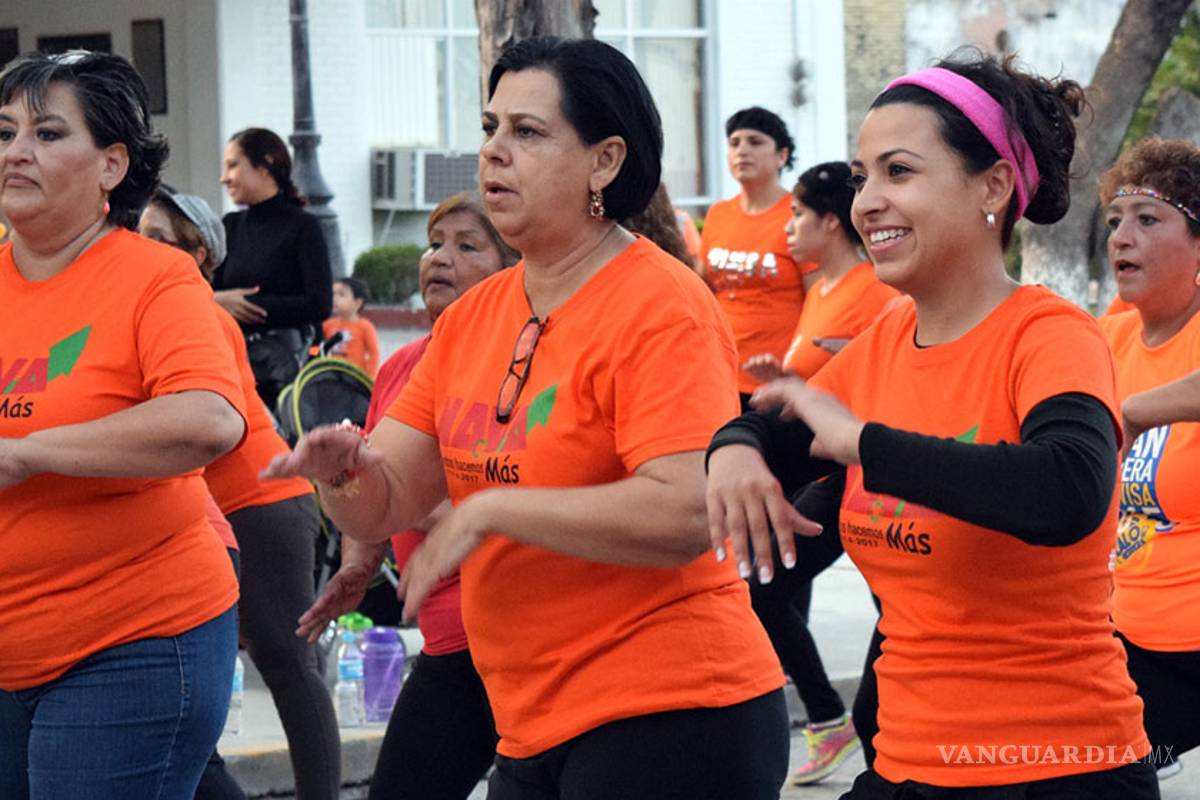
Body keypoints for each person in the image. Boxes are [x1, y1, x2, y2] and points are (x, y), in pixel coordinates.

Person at [265, 36, 789, 800]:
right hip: (529, 717)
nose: (494, 153)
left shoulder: (663, 305)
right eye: (490, 128)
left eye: (528, 132)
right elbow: (391, 498)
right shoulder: (474, 316)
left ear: (604, 162)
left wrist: (495, 512)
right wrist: (340, 473)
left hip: (673, 711)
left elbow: (685, 511)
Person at [705, 53, 1160, 798]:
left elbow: (1070, 489)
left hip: (1058, 768)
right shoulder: (882, 346)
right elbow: (771, 432)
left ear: (993, 186)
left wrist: (861, 444)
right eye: (861, 178)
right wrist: (733, 450)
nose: (867, 202)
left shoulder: (1050, 336)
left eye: (899, 172)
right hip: (906, 764)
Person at [0, 51, 245, 798]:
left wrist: (29, 454)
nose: (15, 151)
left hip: (134, 639)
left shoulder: (155, 276)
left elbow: (210, 418)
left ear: (112, 164)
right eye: (5, 130)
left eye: (46, 133)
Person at [300, 192, 517, 800]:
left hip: (523, 639)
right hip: (448, 638)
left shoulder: (527, 360)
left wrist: (405, 501)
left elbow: (504, 503)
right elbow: (377, 484)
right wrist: (356, 566)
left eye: (467, 246)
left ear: (514, 267)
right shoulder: (403, 367)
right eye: (435, 242)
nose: (438, 258)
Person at [140, 189, 342, 800]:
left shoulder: (197, 311)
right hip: (209, 513)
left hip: (261, 500)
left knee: (284, 659)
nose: (137, 248)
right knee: (182, 680)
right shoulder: (158, 306)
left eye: (158, 237)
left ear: (198, 253)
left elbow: (204, 422)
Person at [740, 160, 900, 787]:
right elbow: (817, 386)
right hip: (827, 473)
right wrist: (777, 384)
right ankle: (838, 720)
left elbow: (885, 385)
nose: (788, 227)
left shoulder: (877, 290)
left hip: (867, 473)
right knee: (766, 587)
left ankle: (856, 726)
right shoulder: (818, 292)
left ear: (831, 222)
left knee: (897, 608)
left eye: (799, 213)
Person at [1097, 136, 1200, 782]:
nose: (1120, 237)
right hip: (1114, 627)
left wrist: (1134, 411)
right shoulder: (1108, 334)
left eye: (1147, 219)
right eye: (1114, 222)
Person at [701, 106, 819, 405]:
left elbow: (820, 299)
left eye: (755, 142)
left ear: (782, 155)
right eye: (735, 142)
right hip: (719, 375)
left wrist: (801, 373)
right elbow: (703, 290)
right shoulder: (719, 214)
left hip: (778, 382)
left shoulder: (800, 215)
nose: (742, 150)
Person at [216, 127, 333, 409]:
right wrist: (218, 301)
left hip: (286, 379)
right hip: (232, 369)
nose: (224, 178)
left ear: (265, 165)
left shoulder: (304, 226)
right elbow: (205, 289)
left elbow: (319, 304)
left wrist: (250, 305)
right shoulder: (230, 226)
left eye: (233, 165)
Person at [324, 276, 380, 376]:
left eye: (341, 294)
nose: (334, 298)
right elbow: (317, 348)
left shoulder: (365, 326)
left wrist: (369, 378)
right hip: (331, 376)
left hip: (354, 378)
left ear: (357, 302)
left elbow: (374, 354)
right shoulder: (328, 325)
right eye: (333, 294)